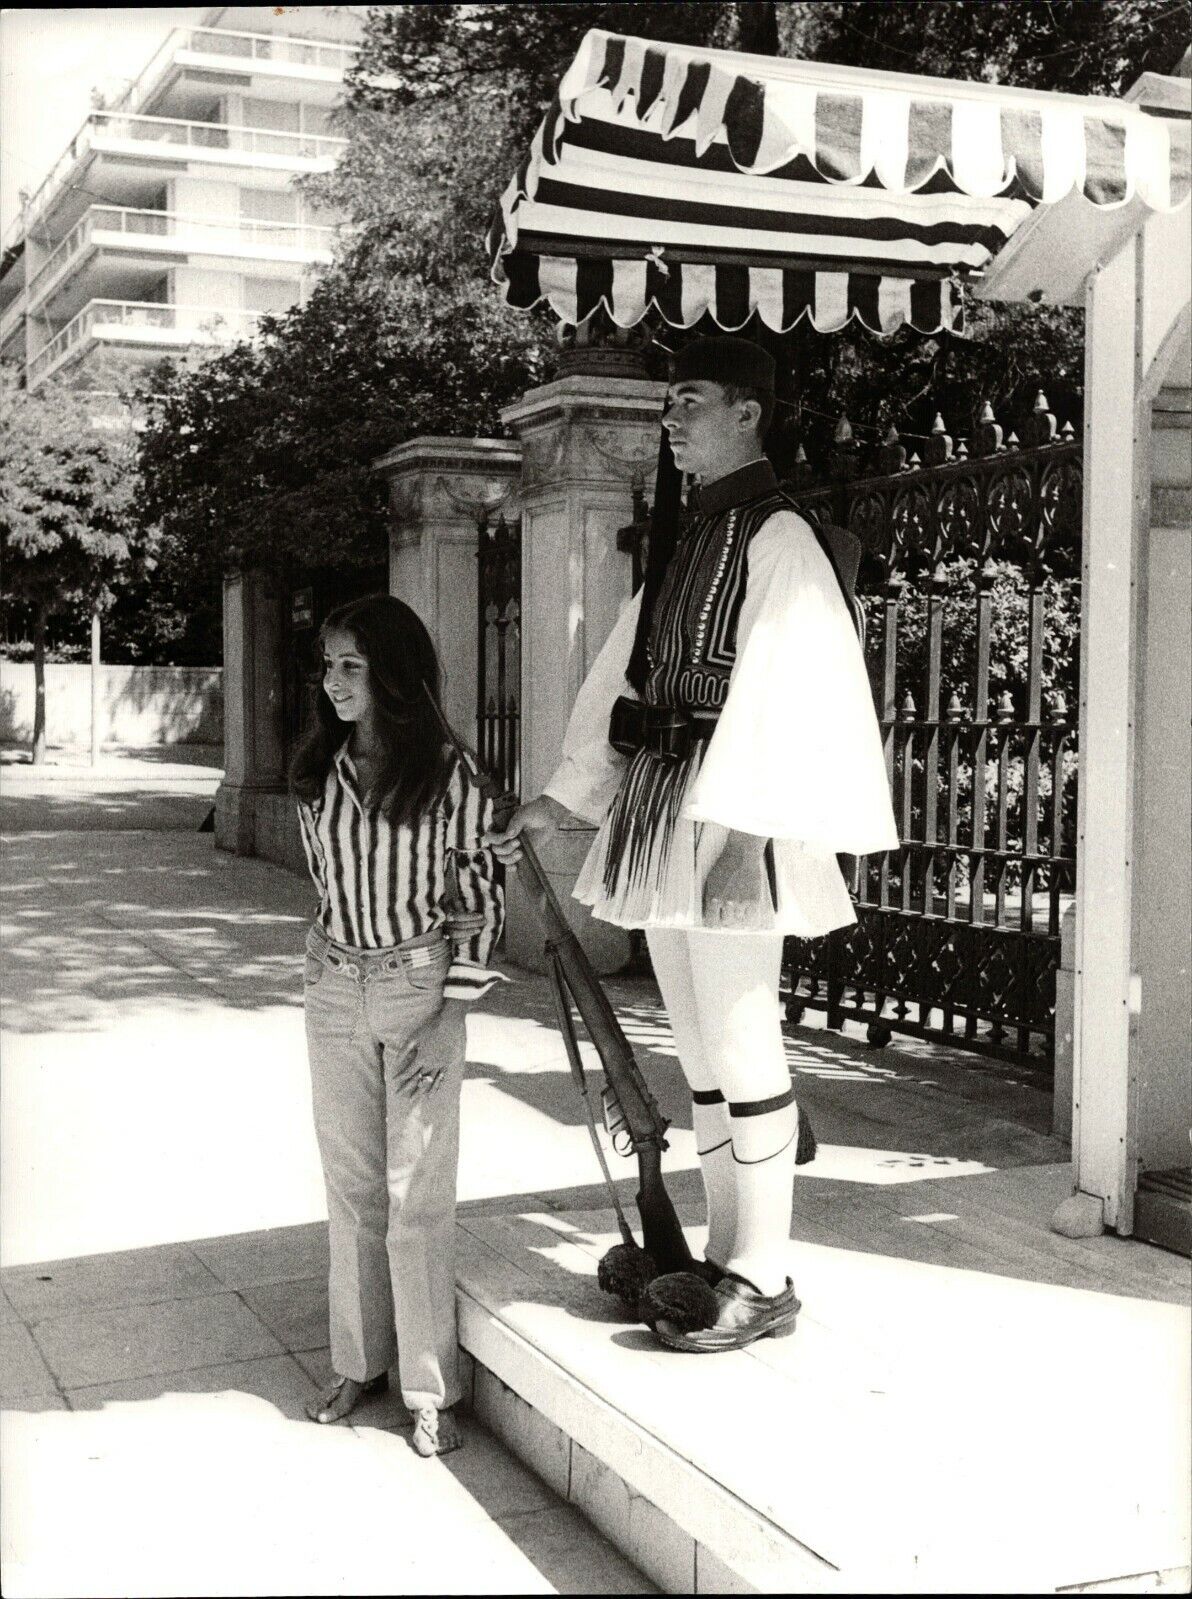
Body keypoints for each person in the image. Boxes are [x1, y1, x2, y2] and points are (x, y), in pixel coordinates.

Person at [488, 336, 898, 1353]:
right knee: (702, 1048)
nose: (671, 421)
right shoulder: (692, 537)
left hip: (728, 819)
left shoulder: (780, 537)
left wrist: (734, 833)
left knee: (744, 1035)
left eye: (690, 400)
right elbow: (624, 681)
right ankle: (720, 1252)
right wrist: (563, 798)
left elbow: (789, 696)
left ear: (749, 412)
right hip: (663, 809)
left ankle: (761, 1273)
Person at [290, 594, 504, 1452]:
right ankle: (358, 1362)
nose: (335, 681)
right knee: (350, 1189)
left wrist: (445, 1015)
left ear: (393, 672)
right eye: (329, 664)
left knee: (416, 1194)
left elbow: (481, 905)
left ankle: (429, 1388)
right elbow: (325, 889)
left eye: (352, 665)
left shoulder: (453, 778)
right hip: (334, 984)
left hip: (420, 989)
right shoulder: (317, 773)